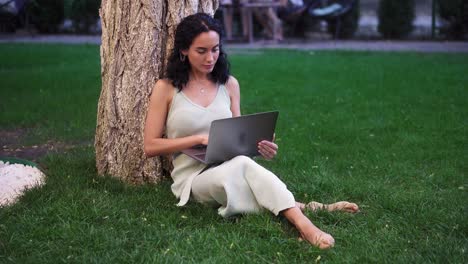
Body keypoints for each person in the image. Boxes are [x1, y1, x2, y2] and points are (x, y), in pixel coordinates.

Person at [144, 13, 358, 249]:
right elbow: (150, 146)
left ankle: (303, 210)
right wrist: (196, 139)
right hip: (193, 180)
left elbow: (238, 133)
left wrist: (259, 144)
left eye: (215, 49)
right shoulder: (166, 89)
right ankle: (305, 220)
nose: (210, 57)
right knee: (242, 167)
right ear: (184, 51)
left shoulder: (229, 84)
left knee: (242, 165)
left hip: (229, 163)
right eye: (201, 51)